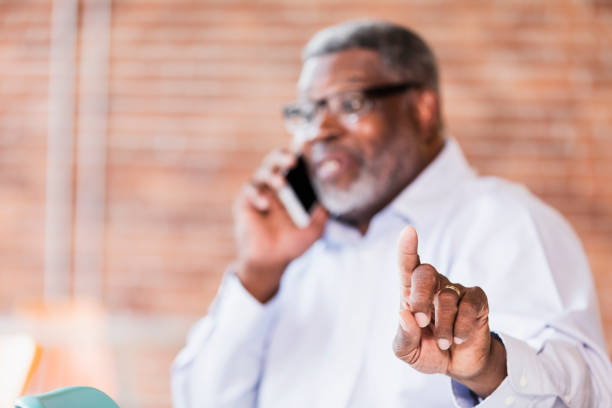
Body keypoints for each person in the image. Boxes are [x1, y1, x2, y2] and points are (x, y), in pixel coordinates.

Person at [171, 20, 612, 407]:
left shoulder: (508, 222)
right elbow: (199, 400)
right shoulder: (296, 251)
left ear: (422, 109)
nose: (319, 130)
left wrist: (487, 368)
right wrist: (258, 275)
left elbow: (587, 394)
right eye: (307, 111)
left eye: (349, 103)